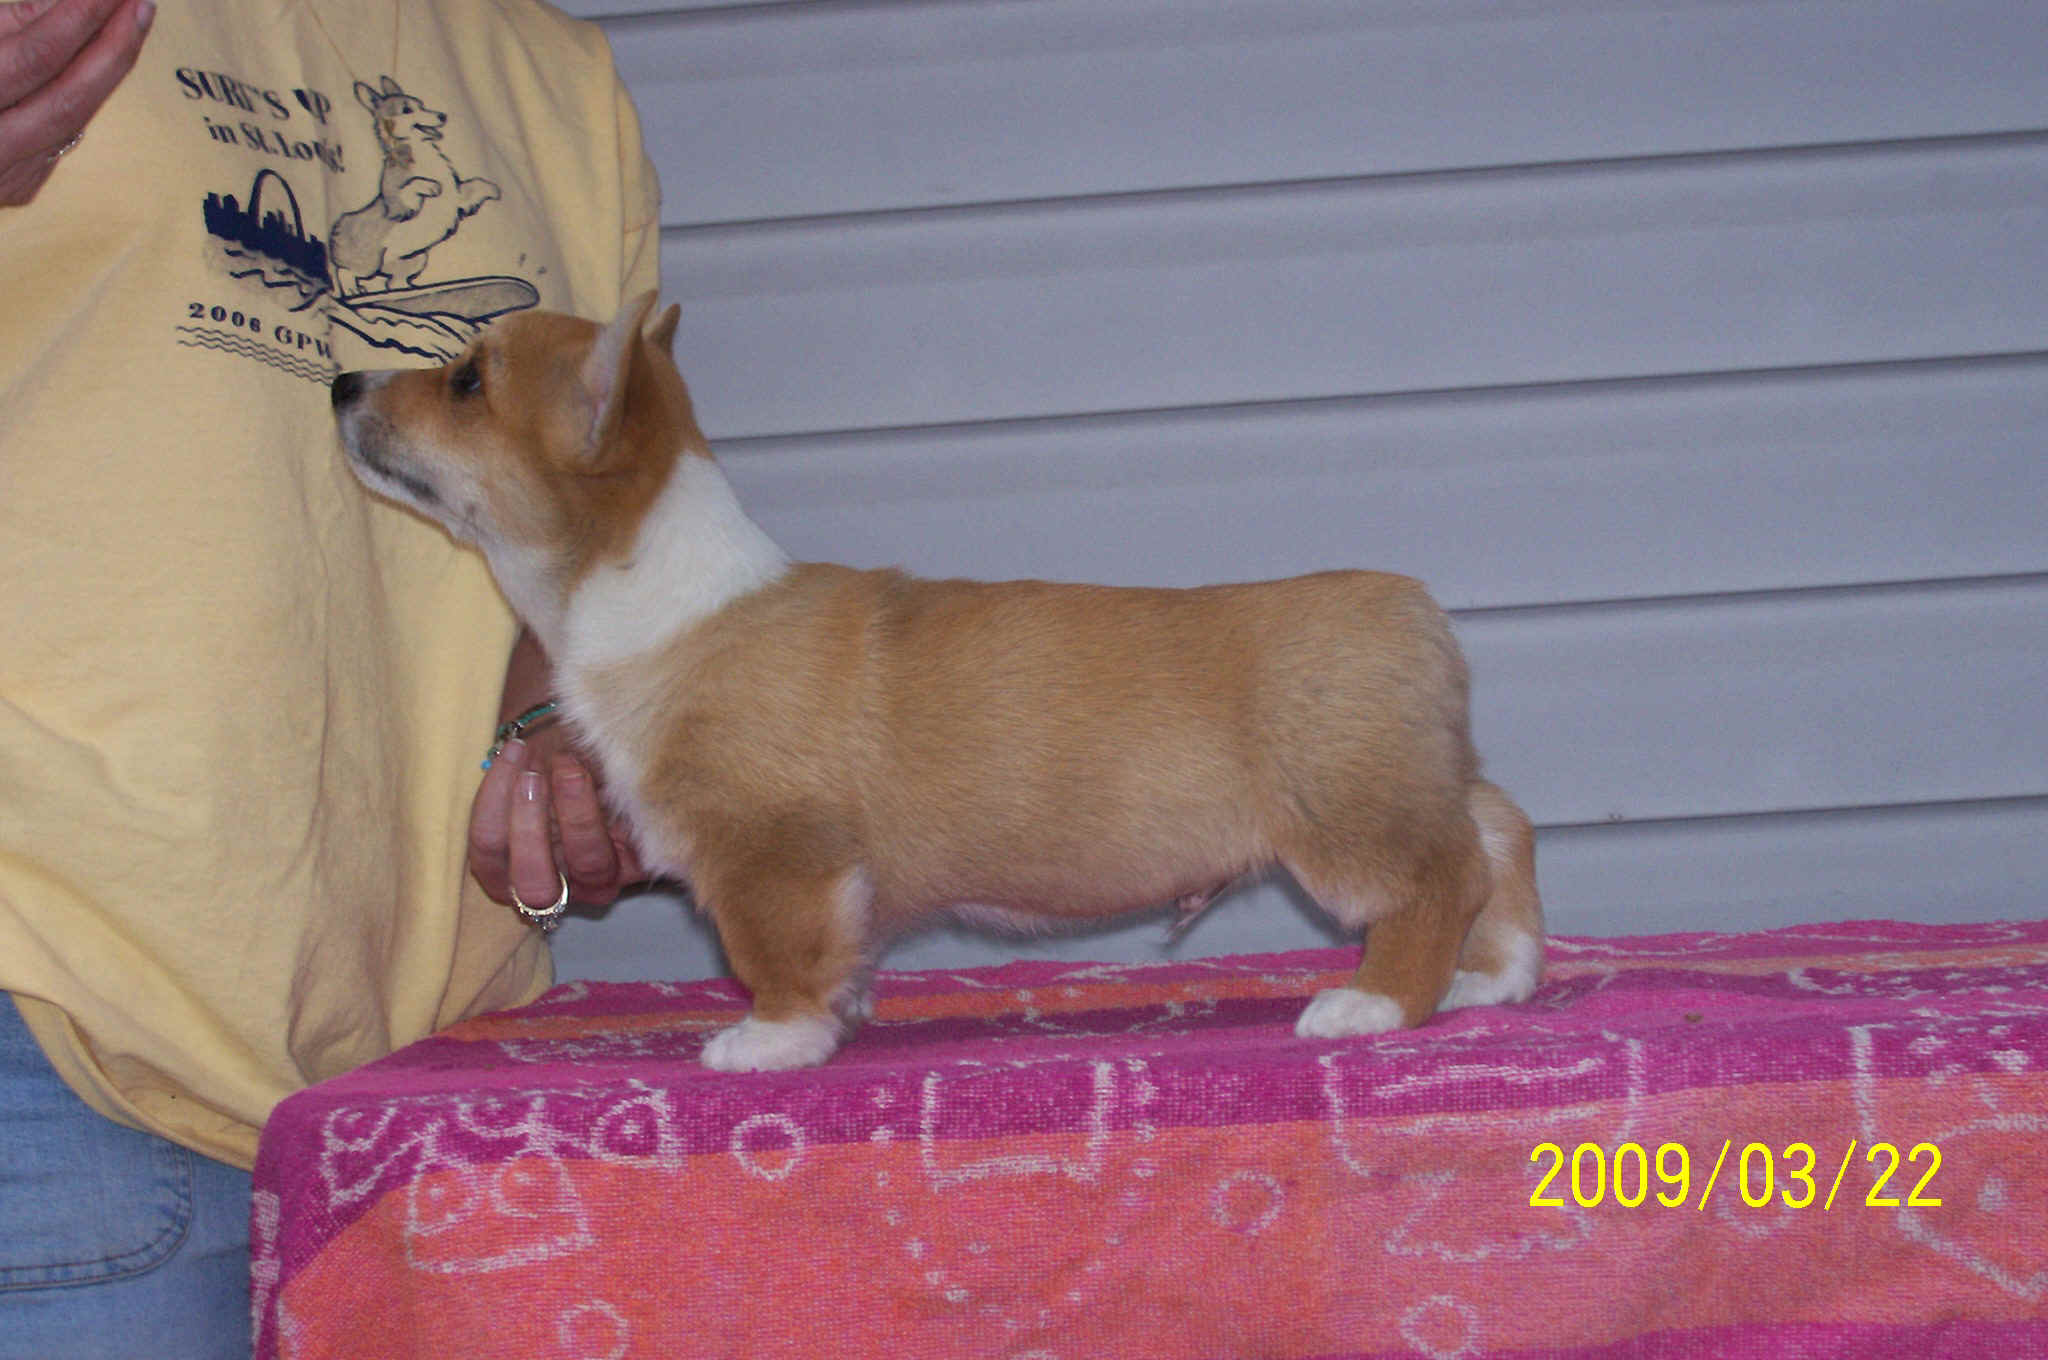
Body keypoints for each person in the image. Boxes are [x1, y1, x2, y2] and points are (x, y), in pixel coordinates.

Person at [0, 1, 657, 1353]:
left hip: (435, 1069)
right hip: (49, 1013)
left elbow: (597, 530)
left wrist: (565, 728)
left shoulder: (559, 74)